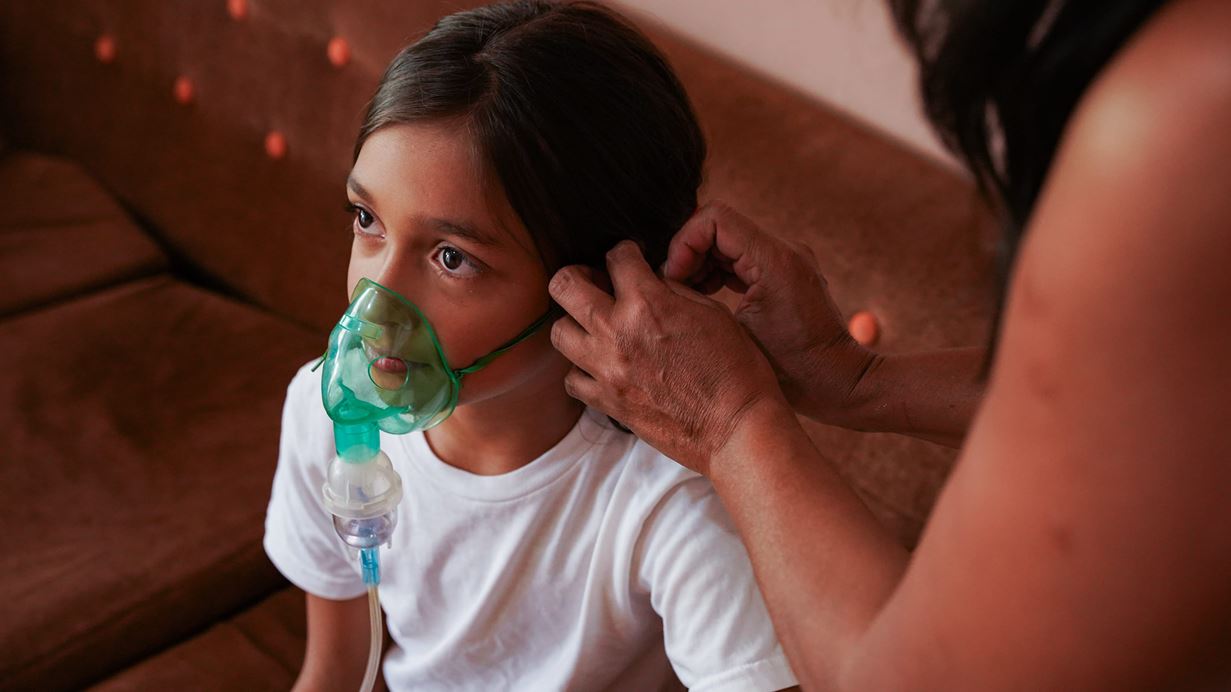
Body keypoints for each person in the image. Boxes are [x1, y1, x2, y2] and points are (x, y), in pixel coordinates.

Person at [547, 0, 1231, 688]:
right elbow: (1139, 418)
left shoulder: (1185, 117)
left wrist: (729, 426)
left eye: (455, 258)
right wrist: (858, 379)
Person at [263, 2, 801, 690]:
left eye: (451, 258)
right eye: (368, 220)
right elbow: (336, 671)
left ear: (599, 284)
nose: (375, 308)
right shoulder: (327, 414)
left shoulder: (673, 504)